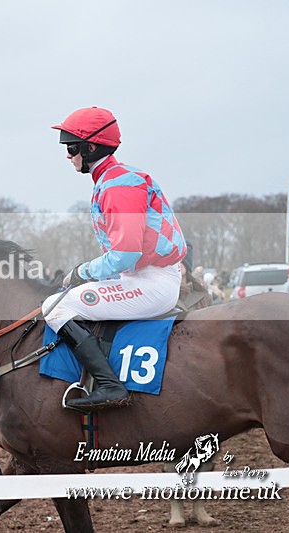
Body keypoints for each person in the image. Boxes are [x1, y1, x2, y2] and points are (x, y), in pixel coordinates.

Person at [44, 107, 186, 410]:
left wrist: (81, 271)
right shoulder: (113, 179)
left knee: (54, 308)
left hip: (151, 283)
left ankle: (110, 386)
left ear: (90, 147)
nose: (68, 155)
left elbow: (125, 253)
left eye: (71, 147)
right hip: (143, 278)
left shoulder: (118, 185)